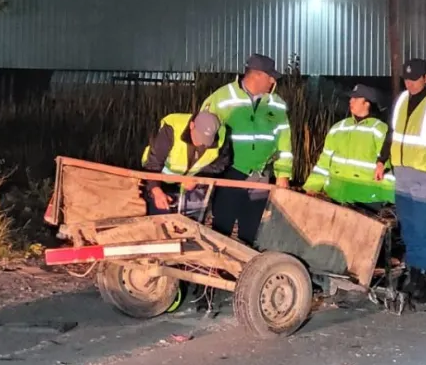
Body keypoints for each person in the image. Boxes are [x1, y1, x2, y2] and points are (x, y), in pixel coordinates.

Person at [375, 58, 426, 306]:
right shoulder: (400, 100)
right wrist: (381, 160)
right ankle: (413, 272)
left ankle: (422, 278)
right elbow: (392, 133)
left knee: (423, 228)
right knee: (408, 228)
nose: (410, 83)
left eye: (415, 79)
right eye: (407, 79)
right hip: (402, 172)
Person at [200, 54, 292, 244]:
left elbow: (285, 143)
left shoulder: (277, 104)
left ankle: (246, 269)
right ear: (257, 75)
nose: (273, 81)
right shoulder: (221, 98)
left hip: (261, 175)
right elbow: (202, 134)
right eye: (270, 76)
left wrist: (283, 174)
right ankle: (220, 269)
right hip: (231, 173)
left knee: (251, 230)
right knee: (221, 229)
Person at [303, 83, 395, 209]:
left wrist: (389, 198)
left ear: (367, 103)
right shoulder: (338, 128)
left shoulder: (380, 130)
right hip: (335, 196)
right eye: (351, 98)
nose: (351, 101)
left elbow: (387, 166)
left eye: (356, 98)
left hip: (367, 201)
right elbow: (324, 162)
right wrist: (312, 187)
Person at [141, 110, 231, 216]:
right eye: (198, 137)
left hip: (190, 187)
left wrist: (198, 178)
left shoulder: (221, 136)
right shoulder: (172, 129)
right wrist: (155, 190)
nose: (201, 143)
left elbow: (220, 164)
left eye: (206, 140)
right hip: (160, 180)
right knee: (158, 216)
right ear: (192, 125)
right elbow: (153, 163)